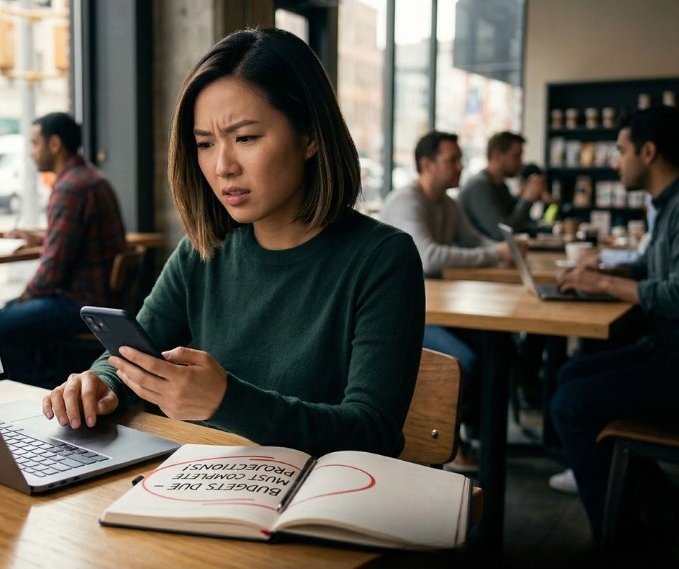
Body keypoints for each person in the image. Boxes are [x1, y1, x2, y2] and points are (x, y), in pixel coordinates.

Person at [41, 28, 424, 457]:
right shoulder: (202, 251)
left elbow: (374, 432)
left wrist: (227, 402)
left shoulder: (382, 258)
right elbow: (129, 355)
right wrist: (101, 385)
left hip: (317, 501)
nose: (222, 166)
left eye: (246, 138)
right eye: (205, 143)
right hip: (203, 482)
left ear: (311, 136)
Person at [551, 105, 679, 543]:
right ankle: (666, 505)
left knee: (571, 403)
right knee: (570, 374)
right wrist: (596, 277)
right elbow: (651, 264)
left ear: (648, 152)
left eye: (621, 149)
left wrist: (601, 282)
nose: (615, 160)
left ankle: (625, 540)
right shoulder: (677, 200)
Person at [380, 131, 517, 471]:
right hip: (398, 313)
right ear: (426, 164)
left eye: (459, 159)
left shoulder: (447, 203)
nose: (460, 165)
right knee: (463, 360)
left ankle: (478, 436)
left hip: (435, 305)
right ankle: (440, 442)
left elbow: (473, 241)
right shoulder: (406, 201)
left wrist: (502, 251)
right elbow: (427, 258)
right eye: (452, 159)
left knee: (496, 346)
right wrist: (496, 254)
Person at [0, 112, 127, 388]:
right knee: (4, 313)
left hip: (80, 304)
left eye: (34, 143)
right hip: (100, 299)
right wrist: (41, 236)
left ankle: (33, 389)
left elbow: (52, 271)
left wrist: (22, 298)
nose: (31, 153)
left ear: (54, 144)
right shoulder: (91, 177)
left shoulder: (70, 188)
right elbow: (73, 237)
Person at [458, 131, 553, 240]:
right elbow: (502, 233)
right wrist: (527, 199)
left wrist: (552, 230)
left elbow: (518, 224)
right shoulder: (479, 186)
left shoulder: (501, 186)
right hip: (478, 254)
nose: (521, 162)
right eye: (516, 156)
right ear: (496, 155)